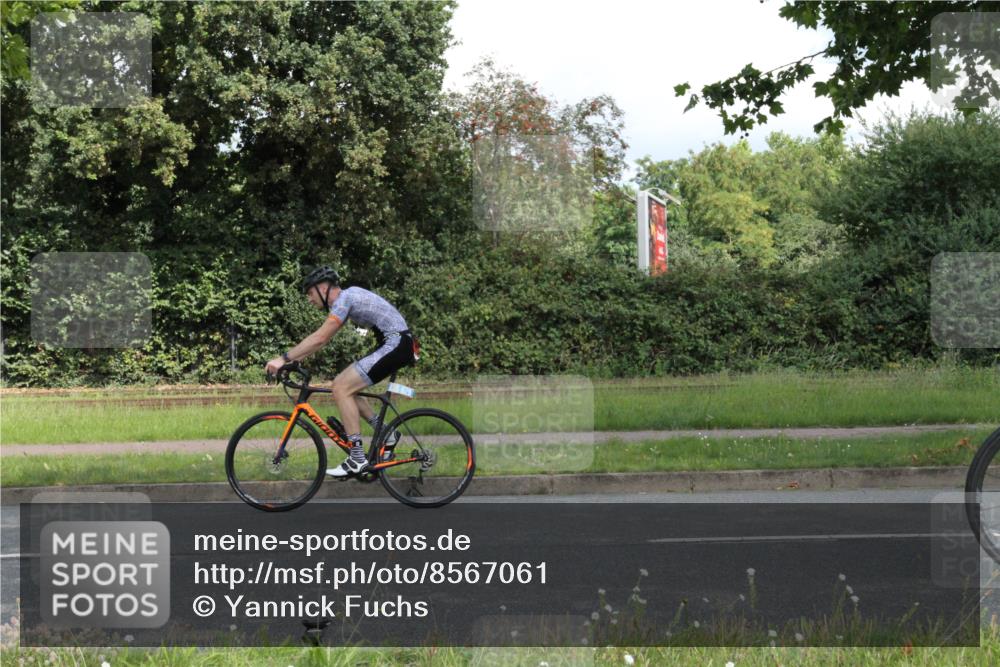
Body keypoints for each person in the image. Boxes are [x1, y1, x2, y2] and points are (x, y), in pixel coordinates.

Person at [264, 266, 417, 477]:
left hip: (396, 343)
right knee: (342, 385)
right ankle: (385, 433)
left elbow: (320, 338)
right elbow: (321, 341)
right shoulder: (346, 300)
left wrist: (283, 359)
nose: (309, 299)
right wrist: (295, 360)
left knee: (342, 387)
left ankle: (357, 459)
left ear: (324, 287)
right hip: (397, 343)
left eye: (310, 293)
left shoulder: (345, 298)